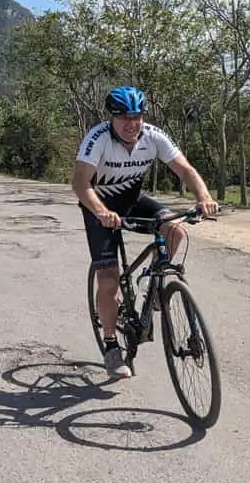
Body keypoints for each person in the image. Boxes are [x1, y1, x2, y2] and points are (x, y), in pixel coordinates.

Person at [72, 85, 220, 379]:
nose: (132, 124)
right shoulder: (98, 138)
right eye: (124, 117)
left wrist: (203, 197)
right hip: (98, 206)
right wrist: (101, 212)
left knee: (175, 228)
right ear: (112, 118)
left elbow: (185, 169)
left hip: (131, 200)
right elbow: (80, 183)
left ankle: (152, 281)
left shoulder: (152, 136)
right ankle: (112, 346)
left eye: (137, 116)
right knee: (109, 279)